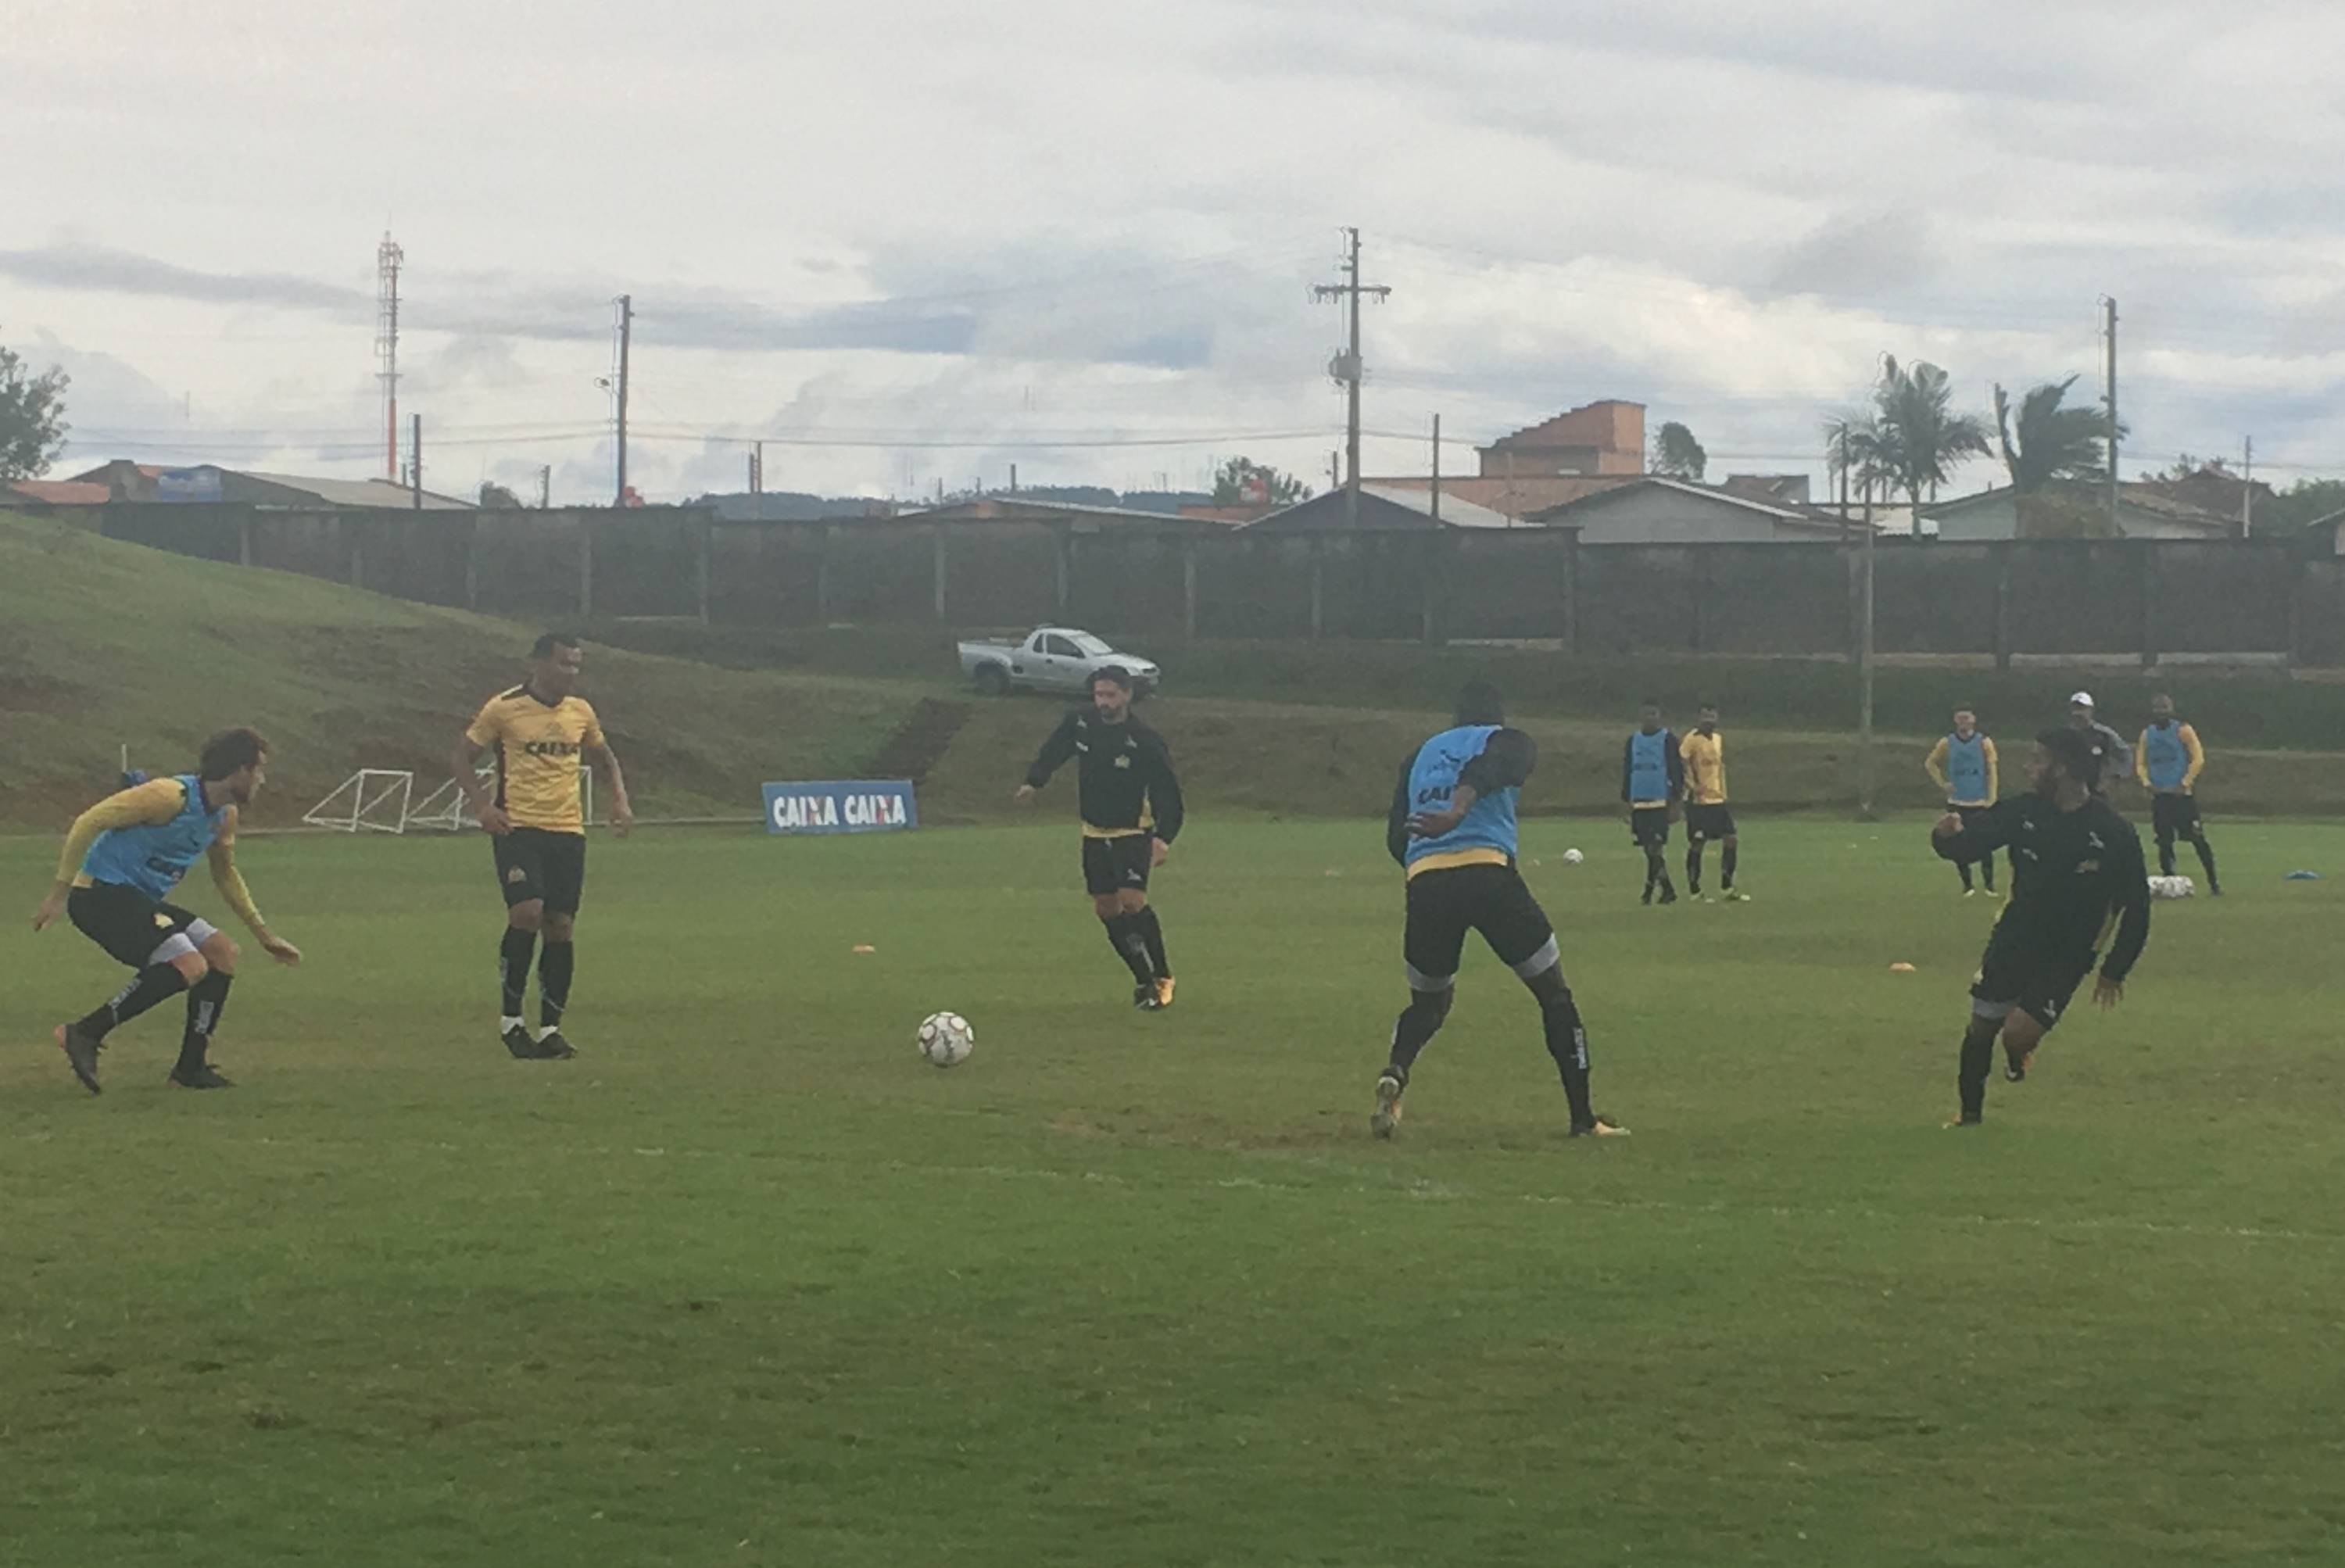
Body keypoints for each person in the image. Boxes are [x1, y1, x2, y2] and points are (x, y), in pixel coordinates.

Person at [1373, 682, 1625, 1140]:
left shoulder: (1419, 756)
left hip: (1426, 883)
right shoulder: (1504, 740)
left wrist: (1428, 868)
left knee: (1429, 1003)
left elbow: (1396, 836)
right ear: (1497, 716)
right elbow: (1491, 767)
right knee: (1553, 994)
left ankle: (1396, 1070)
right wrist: (1458, 811)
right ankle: (1583, 1118)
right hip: (1489, 876)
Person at [30, 728, 302, 1093]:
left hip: (138, 902)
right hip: (99, 897)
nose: (262, 780)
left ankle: (190, 1069)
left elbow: (225, 874)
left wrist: (263, 934)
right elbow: (88, 822)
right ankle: (84, 1033)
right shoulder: (168, 796)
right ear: (240, 770)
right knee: (189, 964)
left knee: (221, 952)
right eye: (260, 770)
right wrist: (58, 892)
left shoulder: (224, 816)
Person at [1929, 727, 2151, 1126]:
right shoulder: (2024, 811)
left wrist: (2115, 968)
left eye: (2037, 760)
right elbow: (1970, 845)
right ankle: (1969, 1117)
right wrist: (1944, 838)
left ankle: (2019, 1054)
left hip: (2069, 952)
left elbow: (2136, 905)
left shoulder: (2113, 831)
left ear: (2061, 769)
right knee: (1982, 1027)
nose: (2029, 768)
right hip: (2016, 937)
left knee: (2017, 1032)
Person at [453, 632, 633, 1061]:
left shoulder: (580, 711)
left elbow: (605, 757)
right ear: (538, 663)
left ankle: (552, 1028)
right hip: (519, 829)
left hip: (567, 831)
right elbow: (461, 758)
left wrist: (619, 799)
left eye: (577, 665)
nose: (572, 672)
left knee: (560, 925)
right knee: (527, 912)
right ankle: (512, 1022)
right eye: (564, 663)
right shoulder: (504, 708)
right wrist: (482, 806)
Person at [1017, 665, 1183, 1010]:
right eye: (1098, 695)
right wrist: (1034, 781)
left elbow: (1167, 792)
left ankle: (1163, 976)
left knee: (1132, 901)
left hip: (1132, 831)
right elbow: (1055, 750)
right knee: (1106, 908)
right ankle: (1143, 979)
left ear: (1127, 695)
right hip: (1093, 831)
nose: (1103, 702)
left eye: (1110, 695)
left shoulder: (1143, 739)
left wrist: (1164, 837)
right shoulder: (1080, 722)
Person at [2137, 693, 2220, 894]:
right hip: (2160, 796)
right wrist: (2147, 783)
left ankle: (2213, 883)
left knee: (2197, 838)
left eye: (2164, 708)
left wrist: (2185, 783)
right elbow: (2141, 762)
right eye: (2157, 708)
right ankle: (2169, 883)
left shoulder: (2183, 730)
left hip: (2182, 797)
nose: (2161, 712)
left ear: (2172, 709)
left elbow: (2198, 758)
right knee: (2164, 841)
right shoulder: (2147, 734)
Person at [1924, 707, 2001, 896]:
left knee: (1985, 844)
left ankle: (1989, 886)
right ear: (1955, 720)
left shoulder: (1984, 742)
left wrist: (1992, 797)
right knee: (1958, 845)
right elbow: (1930, 763)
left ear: (1973, 719)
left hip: (1979, 802)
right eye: (1960, 718)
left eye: (1967, 717)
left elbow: (1992, 771)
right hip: (1957, 802)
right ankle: (1968, 886)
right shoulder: (1947, 742)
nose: (1963, 721)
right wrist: (1943, 784)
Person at [1679, 703, 1747, 902]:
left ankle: (1727, 886)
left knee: (1731, 838)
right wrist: (1693, 786)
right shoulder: (1691, 740)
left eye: (1712, 717)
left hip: (1717, 799)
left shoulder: (1718, 739)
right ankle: (1695, 890)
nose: (1708, 721)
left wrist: (1723, 792)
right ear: (1698, 718)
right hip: (1698, 802)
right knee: (1698, 842)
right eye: (1705, 717)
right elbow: (1682, 765)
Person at [1621, 700, 1685, 905]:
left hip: (1660, 801)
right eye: (1647, 714)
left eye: (1654, 714)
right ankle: (1664, 891)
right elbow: (1628, 770)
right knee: (1648, 848)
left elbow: (1676, 770)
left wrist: (1676, 801)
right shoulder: (1633, 741)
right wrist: (1626, 801)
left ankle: (1652, 891)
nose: (1650, 718)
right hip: (1639, 801)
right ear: (1641, 716)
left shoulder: (1668, 740)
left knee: (1655, 847)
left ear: (1659, 716)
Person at [2066, 692, 2132, 797]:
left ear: (2091, 710)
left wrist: (2116, 776)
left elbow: (2125, 753)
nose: (2078, 713)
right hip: (2071, 792)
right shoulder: (2065, 735)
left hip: (2097, 791)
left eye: (2082, 708)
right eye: (2075, 708)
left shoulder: (2104, 734)